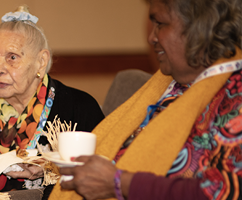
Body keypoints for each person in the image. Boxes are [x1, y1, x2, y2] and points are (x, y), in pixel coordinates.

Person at [49, 0, 242, 199]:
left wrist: (118, 183)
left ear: (200, 26)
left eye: (160, 24)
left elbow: (224, 191)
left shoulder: (235, 96)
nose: (151, 37)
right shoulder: (171, 85)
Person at [0, 5, 104, 197]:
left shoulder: (79, 107)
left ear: (41, 61)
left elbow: (101, 173)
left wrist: (49, 168)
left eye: (12, 57)